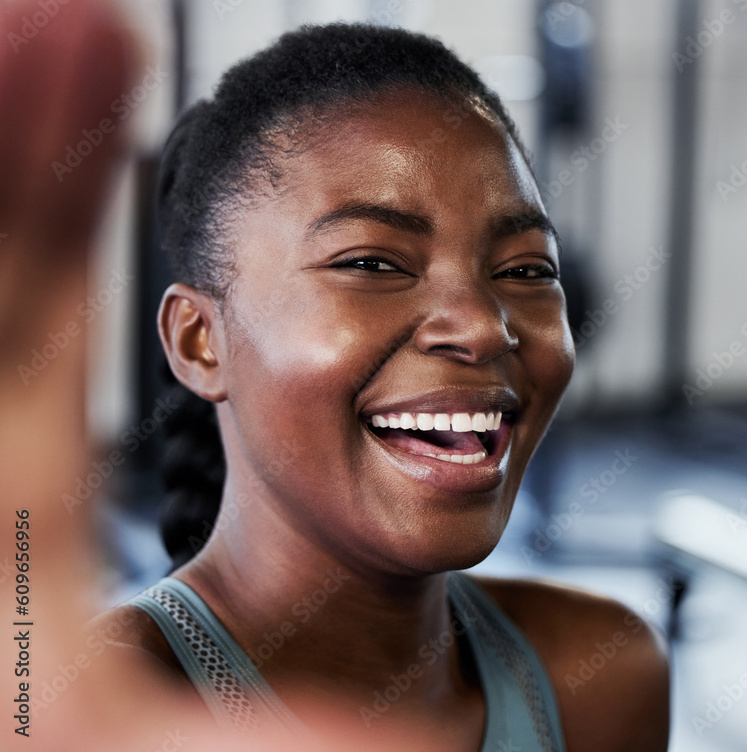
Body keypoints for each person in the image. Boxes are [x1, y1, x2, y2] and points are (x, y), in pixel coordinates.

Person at [91, 22, 670, 751]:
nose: (483, 327)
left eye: (526, 269)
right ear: (200, 341)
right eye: (371, 263)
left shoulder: (600, 677)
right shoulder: (96, 720)